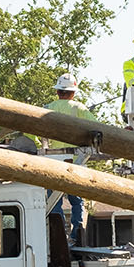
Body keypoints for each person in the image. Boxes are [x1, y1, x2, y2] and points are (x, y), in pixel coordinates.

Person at [45, 72, 99, 244]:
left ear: (57, 91)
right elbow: (97, 128)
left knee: (54, 203)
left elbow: (33, 133)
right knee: (76, 201)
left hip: (53, 160)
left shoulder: (47, 108)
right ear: (73, 92)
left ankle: (58, 236)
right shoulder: (79, 109)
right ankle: (77, 235)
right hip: (76, 161)